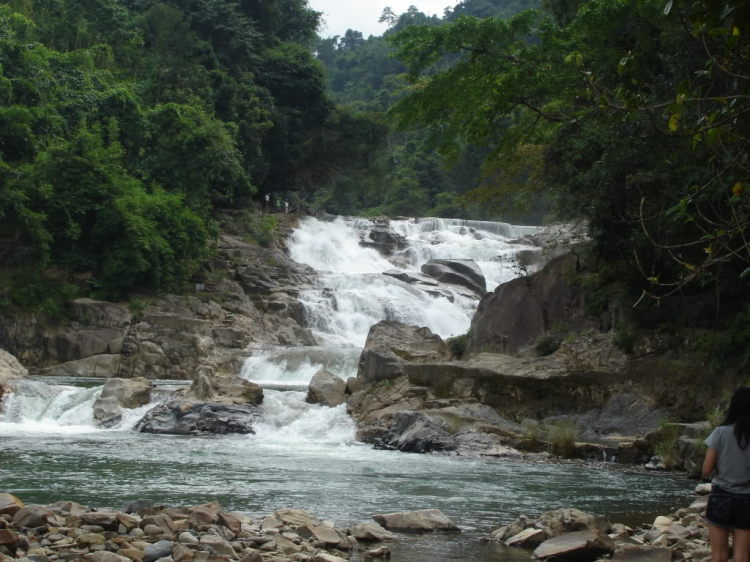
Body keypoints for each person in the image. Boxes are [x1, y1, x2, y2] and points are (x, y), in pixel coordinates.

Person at [703, 386, 750, 562]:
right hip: (748, 498)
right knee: (743, 557)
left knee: (719, 556)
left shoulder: (720, 433)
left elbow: (706, 469)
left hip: (721, 496)